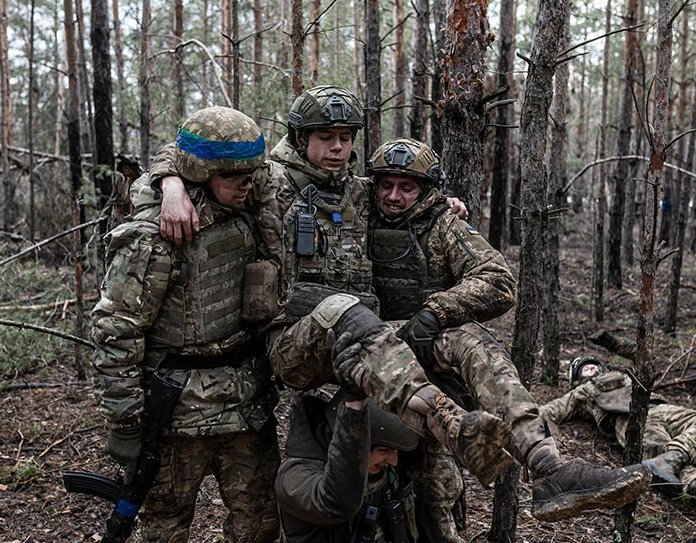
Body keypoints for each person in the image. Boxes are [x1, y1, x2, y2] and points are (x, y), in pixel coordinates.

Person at [149, 86, 515, 485]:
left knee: (462, 336)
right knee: (342, 308)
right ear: (302, 137)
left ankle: (533, 450)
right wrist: (170, 184)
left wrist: (445, 205)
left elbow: (407, 197)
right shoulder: (268, 182)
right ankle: (447, 419)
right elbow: (191, 155)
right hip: (295, 344)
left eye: (345, 137)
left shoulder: (358, 191)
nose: (337, 147)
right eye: (326, 137)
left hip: (362, 340)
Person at [366, 137, 652, 523]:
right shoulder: (356, 210)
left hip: (422, 348)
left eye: (407, 187)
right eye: (386, 185)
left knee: (440, 497)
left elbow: (498, 281)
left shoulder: (441, 223)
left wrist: (435, 313)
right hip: (365, 345)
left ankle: (548, 465)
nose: (393, 196)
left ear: (426, 190)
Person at [90, 107, 281, 542]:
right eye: (232, 176)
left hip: (247, 405)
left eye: (250, 174)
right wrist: (126, 422)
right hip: (177, 415)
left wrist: (169, 179)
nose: (246, 183)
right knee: (165, 529)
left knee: (260, 526)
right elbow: (116, 331)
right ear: (201, 173)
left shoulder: (246, 203)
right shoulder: (153, 236)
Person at [539, 357, 696, 518]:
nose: (591, 368)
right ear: (577, 378)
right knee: (659, 450)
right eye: (585, 369)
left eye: (593, 365)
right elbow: (552, 410)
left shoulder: (625, 376)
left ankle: (674, 461)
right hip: (631, 417)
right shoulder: (580, 392)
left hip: (660, 408)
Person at [275, 331, 422, 543]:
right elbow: (336, 503)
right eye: (384, 451)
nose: (393, 461)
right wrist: (354, 411)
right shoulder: (295, 478)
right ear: (358, 443)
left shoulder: (379, 468)